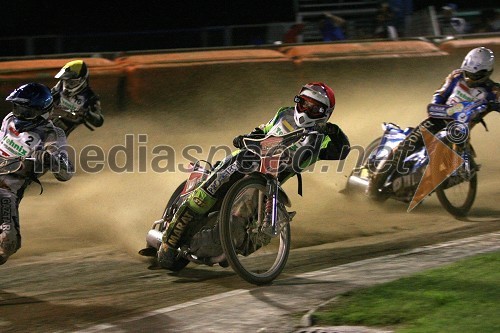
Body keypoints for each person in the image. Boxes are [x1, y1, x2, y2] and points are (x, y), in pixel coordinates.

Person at [157, 82, 351, 269]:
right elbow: (262, 130)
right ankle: (170, 240)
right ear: (297, 101)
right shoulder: (284, 114)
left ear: (325, 114)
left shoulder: (322, 138)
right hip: (246, 160)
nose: (306, 110)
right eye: (304, 103)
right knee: (211, 190)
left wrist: (333, 130)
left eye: (314, 108)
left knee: (253, 229)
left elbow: (342, 150)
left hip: (267, 184)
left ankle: (228, 245)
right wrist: (245, 137)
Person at [366, 47, 500, 198]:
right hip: (436, 120)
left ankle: (436, 177)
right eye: (468, 73)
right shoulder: (456, 76)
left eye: (476, 75)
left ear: (487, 72)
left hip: (460, 131)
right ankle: (374, 184)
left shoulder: (493, 91)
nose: (471, 78)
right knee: (407, 146)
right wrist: (443, 108)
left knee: (464, 163)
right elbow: (439, 95)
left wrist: (492, 105)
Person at [0, 83, 74, 265]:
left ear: (41, 112)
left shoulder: (52, 135)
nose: (19, 114)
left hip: (8, 188)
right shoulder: (9, 119)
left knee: (9, 243)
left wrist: (51, 158)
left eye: (25, 111)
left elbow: (67, 173)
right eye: (17, 108)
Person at [51, 60, 104, 136]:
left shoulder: (91, 97)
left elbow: (99, 121)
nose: (67, 85)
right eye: (66, 81)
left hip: (59, 132)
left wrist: (87, 114)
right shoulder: (60, 85)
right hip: (45, 120)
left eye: (71, 82)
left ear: (82, 80)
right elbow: (49, 94)